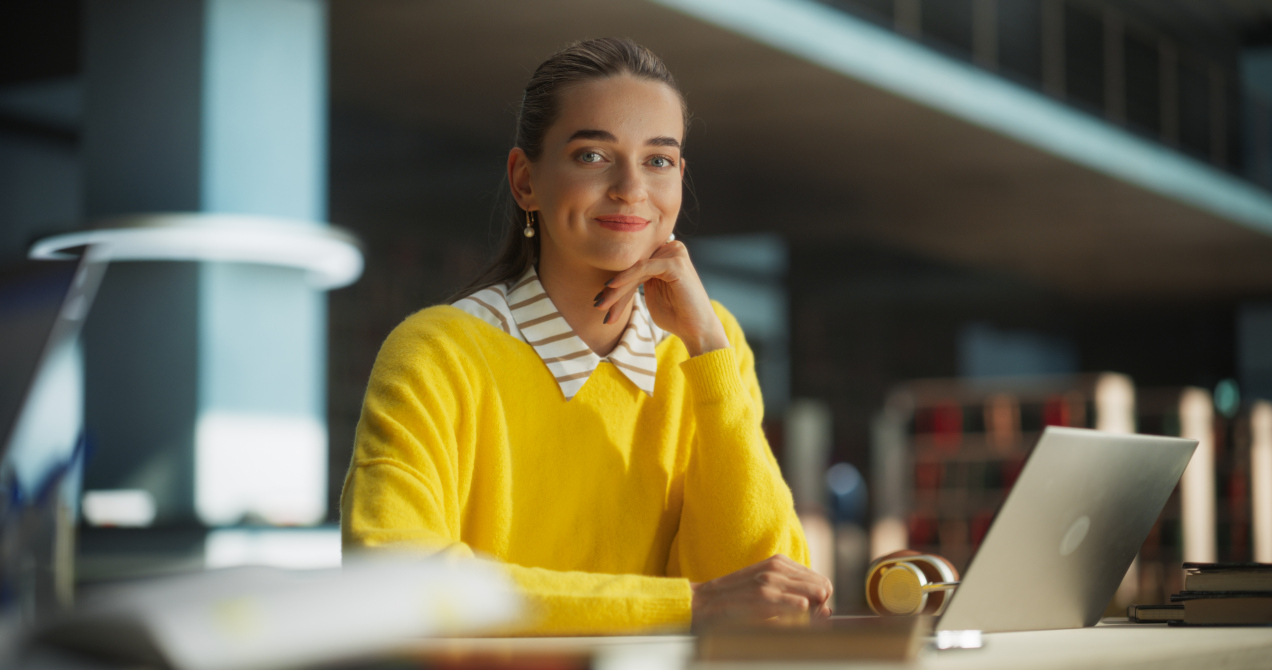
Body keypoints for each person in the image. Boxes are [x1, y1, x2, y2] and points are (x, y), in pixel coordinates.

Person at [340, 37, 831, 635]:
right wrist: (689, 606)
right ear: (525, 180)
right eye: (593, 156)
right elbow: (394, 582)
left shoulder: (711, 344)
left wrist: (709, 353)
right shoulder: (437, 354)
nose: (631, 188)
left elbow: (770, 599)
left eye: (658, 160)